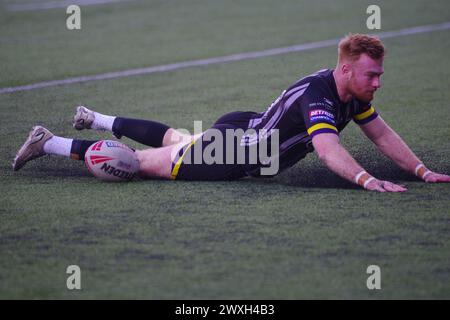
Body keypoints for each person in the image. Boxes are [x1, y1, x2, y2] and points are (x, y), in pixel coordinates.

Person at [12, 34, 450, 192]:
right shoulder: (320, 95)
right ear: (348, 68)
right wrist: (368, 180)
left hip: (243, 130)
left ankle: (98, 118)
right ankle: (48, 142)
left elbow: (381, 134)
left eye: (379, 76)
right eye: (371, 75)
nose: (377, 83)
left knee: (175, 140)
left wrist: (421, 169)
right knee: (135, 163)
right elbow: (328, 149)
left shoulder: (352, 94)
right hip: (231, 153)